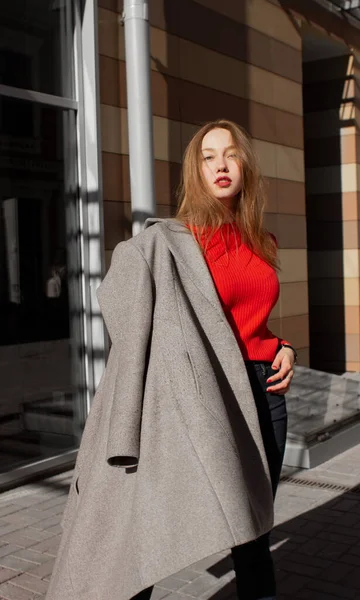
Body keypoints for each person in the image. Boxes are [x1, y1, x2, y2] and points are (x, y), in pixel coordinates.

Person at [45, 120, 296, 600]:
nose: (220, 165)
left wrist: (284, 347)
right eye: (208, 157)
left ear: (246, 165)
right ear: (195, 170)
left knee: (252, 532)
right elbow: (128, 301)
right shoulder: (172, 242)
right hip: (203, 394)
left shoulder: (262, 241)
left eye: (230, 154)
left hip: (264, 393)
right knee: (153, 520)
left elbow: (248, 321)